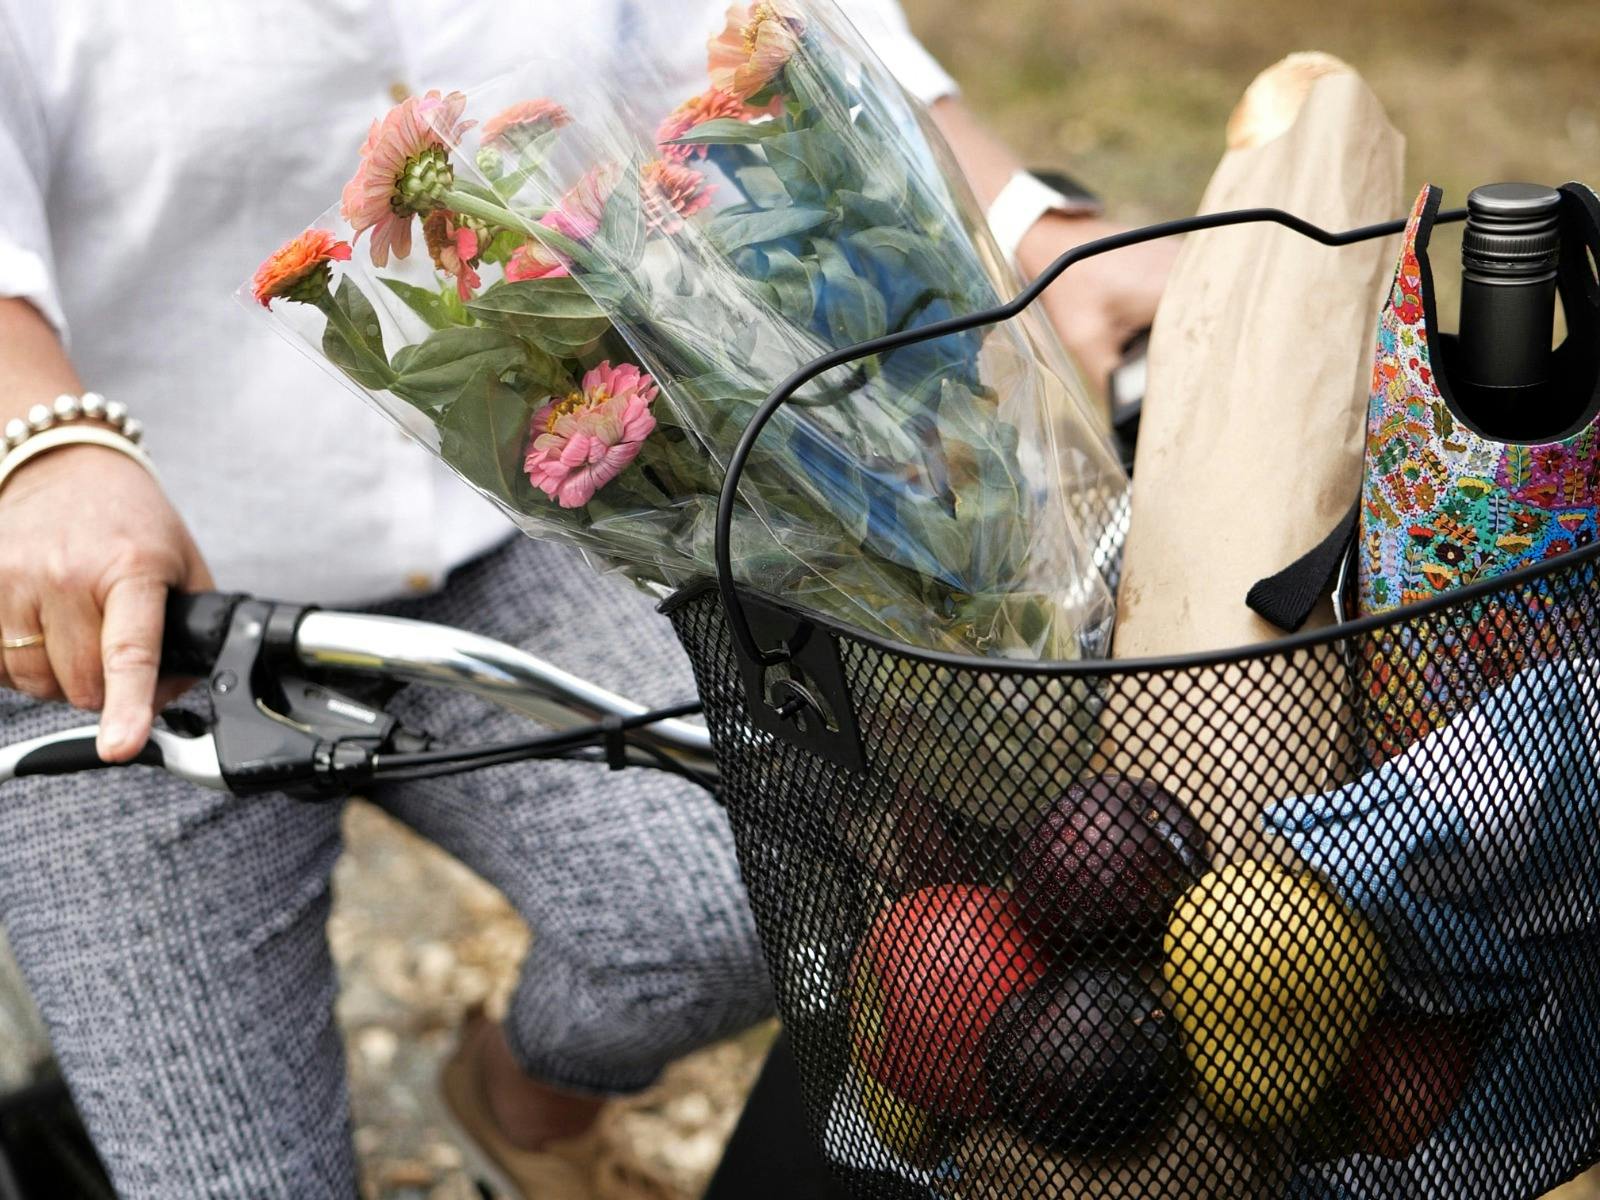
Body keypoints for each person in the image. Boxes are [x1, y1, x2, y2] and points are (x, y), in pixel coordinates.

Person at [0, 3, 1172, 1197]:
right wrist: (41, 442)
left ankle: (521, 1103)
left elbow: (750, 23)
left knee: (759, 899)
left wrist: (1029, 223)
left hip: (518, 519)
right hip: (114, 610)